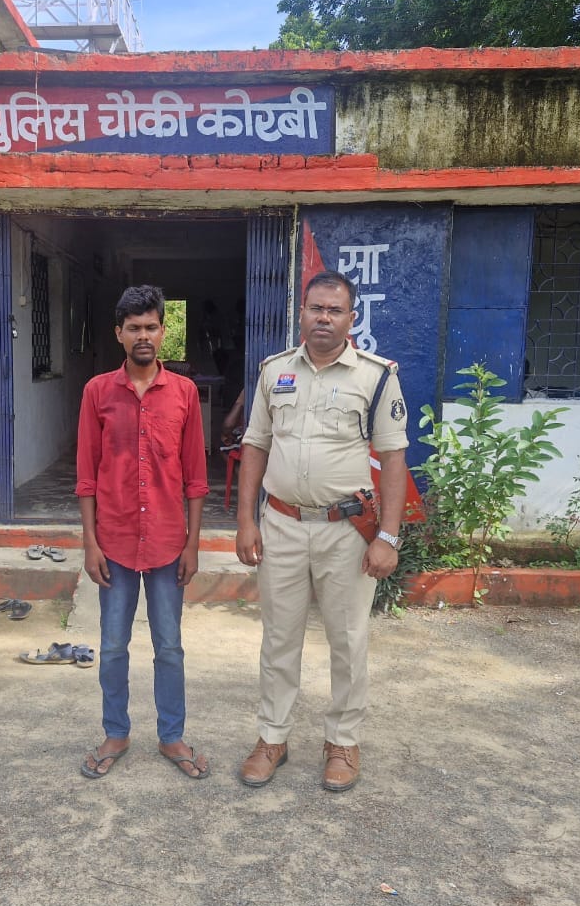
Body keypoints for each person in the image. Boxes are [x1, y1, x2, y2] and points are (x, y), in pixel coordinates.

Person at [234, 270, 408, 792]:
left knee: (348, 640)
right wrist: (246, 520)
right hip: (282, 525)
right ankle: (273, 738)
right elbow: (255, 445)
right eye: (316, 308)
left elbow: (393, 460)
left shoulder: (375, 376)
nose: (324, 318)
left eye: (335, 310)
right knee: (278, 637)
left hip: (345, 530)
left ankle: (343, 742)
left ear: (352, 319)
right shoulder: (274, 372)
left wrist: (388, 537)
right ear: (301, 314)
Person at [75, 285, 211, 780]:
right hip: (113, 541)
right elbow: (86, 475)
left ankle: (172, 736)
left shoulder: (184, 393)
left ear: (163, 331)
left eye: (151, 326)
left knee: (169, 646)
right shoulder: (97, 392)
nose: (143, 336)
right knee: (113, 646)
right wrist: (90, 543)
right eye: (133, 328)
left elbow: (196, 476)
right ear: (119, 334)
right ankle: (116, 732)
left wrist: (193, 543)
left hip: (168, 543)